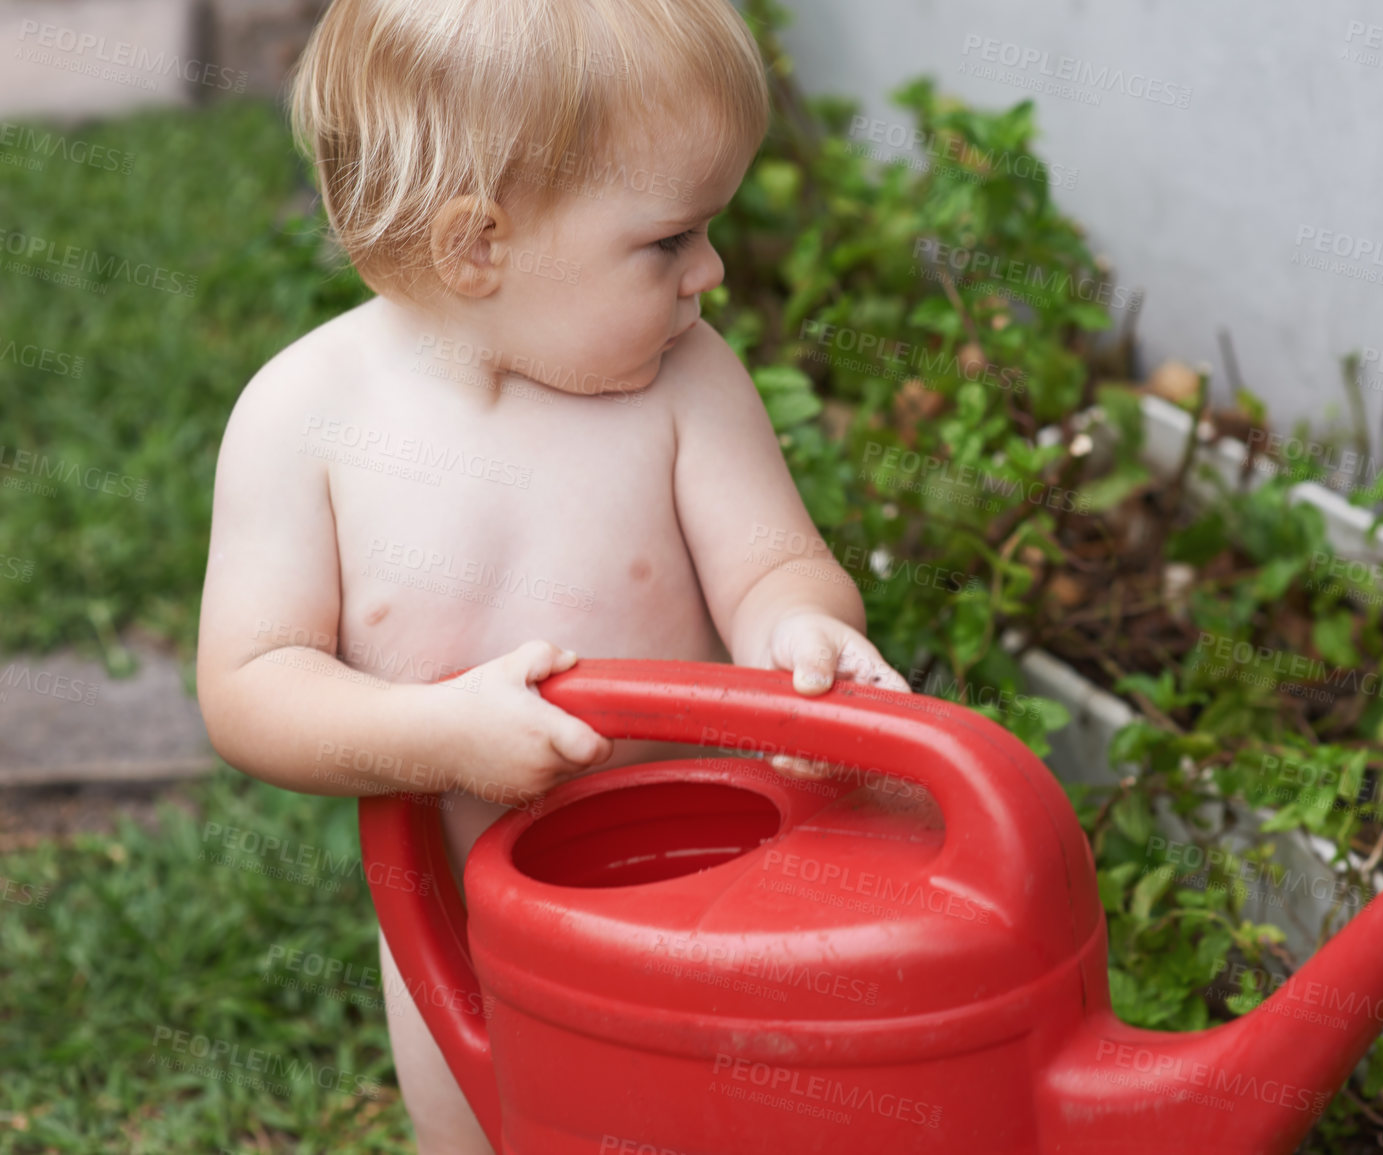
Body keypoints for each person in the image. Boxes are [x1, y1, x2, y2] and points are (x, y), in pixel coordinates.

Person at [194, 1, 907, 1149]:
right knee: (490, 1128)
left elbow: (776, 566)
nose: (710, 274)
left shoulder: (688, 382)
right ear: (479, 244)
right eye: (671, 239)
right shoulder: (305, 419)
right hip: (464, 918)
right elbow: (251, 684)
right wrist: (435, 738)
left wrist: (802, 633)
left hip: (710, 882)